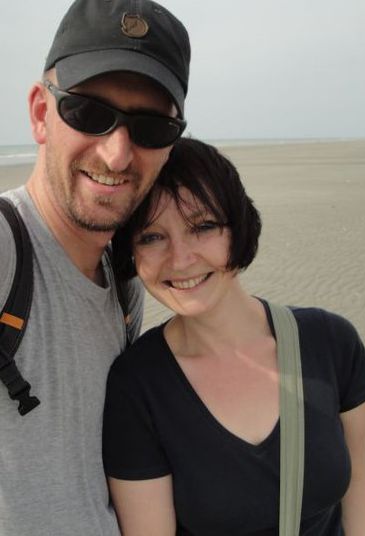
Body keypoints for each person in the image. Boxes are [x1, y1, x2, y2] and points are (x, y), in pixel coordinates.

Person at [103, 138, 365, 535]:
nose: (180, 259)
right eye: (151, 236)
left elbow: (357, 487)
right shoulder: (136, 387)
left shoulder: (331, 342)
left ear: (238, 228)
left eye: (203, 227)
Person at [0, 0, 190, 534]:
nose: (117, 155)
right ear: (41, 113)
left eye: (151, 127)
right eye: (88, 113)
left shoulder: (125, 280)